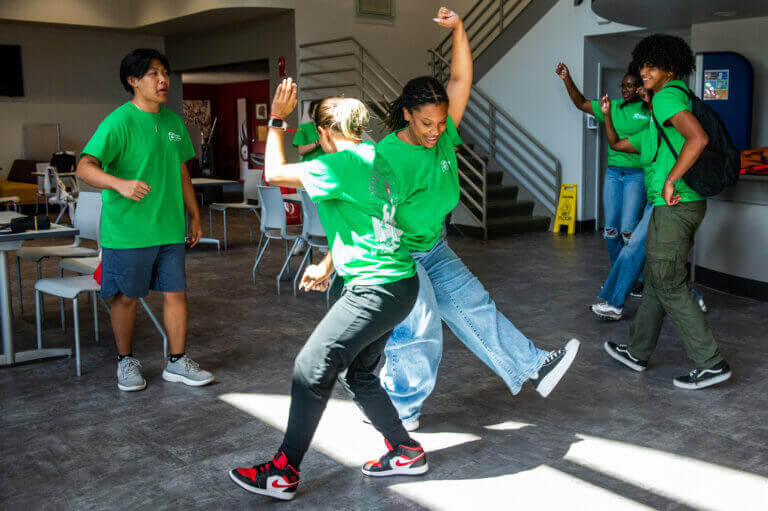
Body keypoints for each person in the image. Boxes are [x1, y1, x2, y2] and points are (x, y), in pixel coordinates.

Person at [374, 7, 580, 431]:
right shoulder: (388, 158)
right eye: (426, 122)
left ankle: (532, 368)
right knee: (421, 329)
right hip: (396, 255)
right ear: (408, 115)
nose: (435, 131)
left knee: (474, 305)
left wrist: (460, 30)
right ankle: (395, 407)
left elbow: (461, 80)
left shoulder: (445, 131)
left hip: (432, 245)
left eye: (440, 120)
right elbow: (371, 218)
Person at [229, 79, 427, 501]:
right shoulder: (378, 159)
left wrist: (277, 118)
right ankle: (406, 451)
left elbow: (274, 172)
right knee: (358, 375)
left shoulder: (338, 166)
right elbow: (371, 223)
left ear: (323, 134)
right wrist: (328, 261)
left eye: (316, 133)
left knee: (310, 368)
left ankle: (283, 472)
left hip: (374, 289)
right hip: (398, 283)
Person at [76, 49, 213, 392]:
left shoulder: (173, 122)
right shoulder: (118, 121)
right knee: (125, 297)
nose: (163, 80)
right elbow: (84, 167)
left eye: (164, 72)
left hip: (168, 227)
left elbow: (181, 170)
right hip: (128, 230)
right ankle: (125, 362)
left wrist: (194, 214)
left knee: (176, 293)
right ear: (133, 81)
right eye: (153, 74)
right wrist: (119, 184)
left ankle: (177, 361)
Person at [601, 34, 731, 390]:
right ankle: (638, 351)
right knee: (658, 279)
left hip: (677, 204)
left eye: (651, 66)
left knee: (669, 282)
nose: (644, 72)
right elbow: (619, 143)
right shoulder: (666, 104)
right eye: (642, 64)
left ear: (669, 68)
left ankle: (711, 362)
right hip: (669, 206)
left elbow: (698, 139)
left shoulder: (667, 96)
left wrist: (672, 180)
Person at [556, 61, 651, 317]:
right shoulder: (612, 107)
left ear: (640, 88)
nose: (627, 90)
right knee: (610, 232)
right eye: (624, 86)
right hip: (613, 173)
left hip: (637, 175)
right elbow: (581, 103)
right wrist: (567, 78)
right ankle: (625, 279)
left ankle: (625, 281)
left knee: (629, 232)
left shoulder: (648, 110)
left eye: (632, 86)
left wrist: (649, 97)